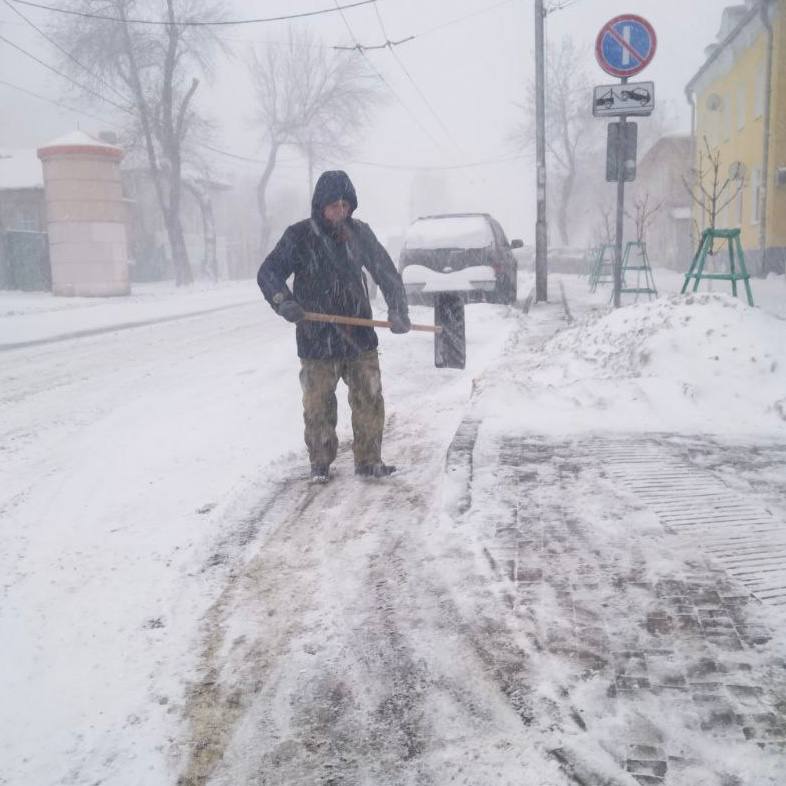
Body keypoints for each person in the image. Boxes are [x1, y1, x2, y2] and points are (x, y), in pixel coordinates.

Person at [257, 170, 411, 483]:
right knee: (318, 407)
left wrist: (398, 309)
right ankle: (320, 464)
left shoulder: (360, 234)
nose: (340, 211)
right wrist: (283, 300)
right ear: (320, 206)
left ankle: (369, 461)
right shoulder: (299, 236)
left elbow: (386, 272)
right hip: (316, 339)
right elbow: (268, 272)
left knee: (369, 399)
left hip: (359, 337)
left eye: (345, 205)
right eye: (333, 206)